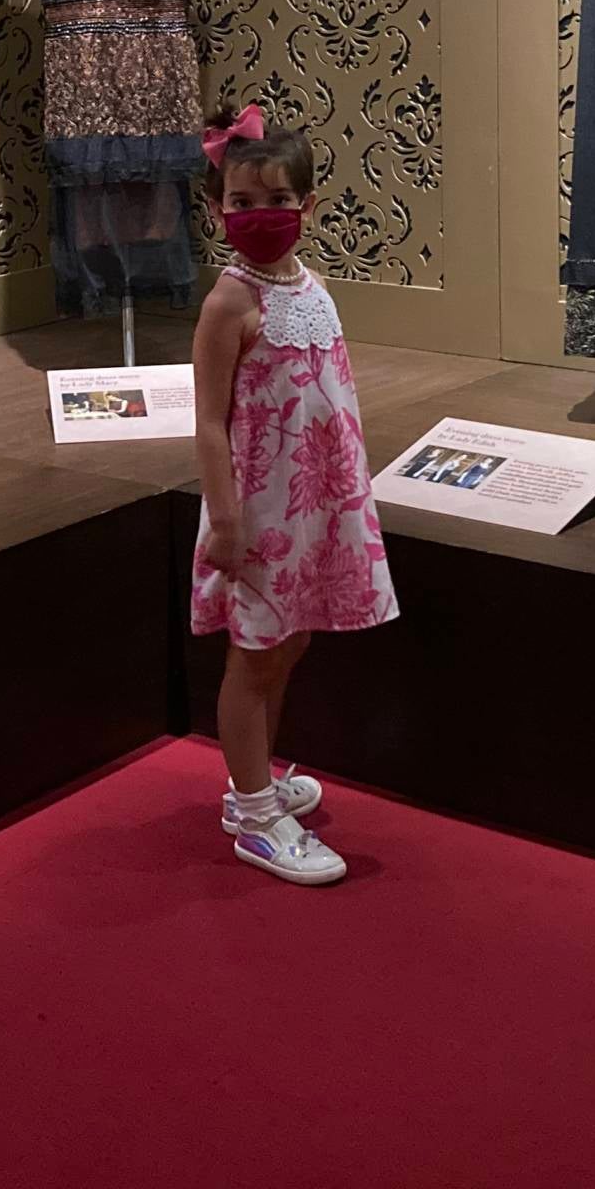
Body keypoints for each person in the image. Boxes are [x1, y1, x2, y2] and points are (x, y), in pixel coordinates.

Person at [191, 104, 399, 884]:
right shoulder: (228, 303)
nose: (259, 216)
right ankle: (251, 814)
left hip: (317, 504)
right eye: (242, 204)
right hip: (259, 511)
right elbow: (210, 421)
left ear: (307, 206)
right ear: (218, 210)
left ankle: (260, 781)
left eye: (276, 200)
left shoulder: (309, 286)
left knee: (292, 640)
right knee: (255, 653)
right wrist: (225, 519)